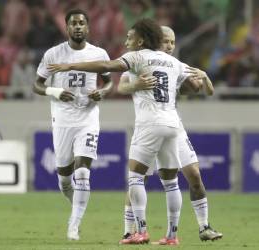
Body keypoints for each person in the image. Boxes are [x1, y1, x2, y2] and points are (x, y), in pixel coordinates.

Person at [48, 18, 201, 244]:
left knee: (136, 178)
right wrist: (203, 77)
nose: (126, 41)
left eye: (130, 37)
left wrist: (71, 65)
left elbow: (106, 66)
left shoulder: (137, 56)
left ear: (140, 40)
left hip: (149, 124)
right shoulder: (172, 61)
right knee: (171, 183)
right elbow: (196, 87)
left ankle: (140, 231)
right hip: (172, 124)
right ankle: (172, 236)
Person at [117, 26, 222, 245]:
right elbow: (122, 86)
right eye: (166, 41)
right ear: (155, 41)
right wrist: (137, 85)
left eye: (173, 42)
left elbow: (197, 88)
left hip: (172, 126)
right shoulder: (141, 60)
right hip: (149, 125)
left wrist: (203, 77)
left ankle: (203, 227)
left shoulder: (175, 65)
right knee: (139, 177)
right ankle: (129, 231)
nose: (170, 46)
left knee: (193, 174)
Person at [33, 9, 113, 241]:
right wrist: (55, 91)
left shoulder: (99, 54)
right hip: (62, 121)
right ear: (67, 28)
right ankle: (77, 205)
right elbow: (36, 85)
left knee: (83, 173)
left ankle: (73, 225)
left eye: (81, 23)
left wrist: (101, 92)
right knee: (65, 179)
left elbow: (108, 83)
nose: (78, 27)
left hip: (88, 119)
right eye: (73, 23)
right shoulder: (54, 54)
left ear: (88, 27)